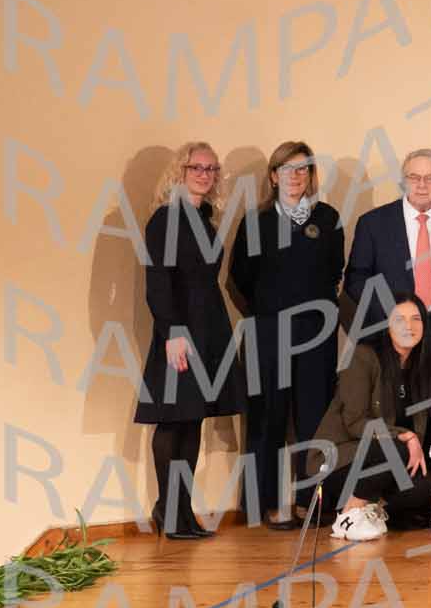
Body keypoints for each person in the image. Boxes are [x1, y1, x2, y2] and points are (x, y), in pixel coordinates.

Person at [226, 140, 343, 527]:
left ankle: (310, 502)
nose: (296, 176)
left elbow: (334, 272)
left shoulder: (327, 219)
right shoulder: (255, 222)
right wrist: (268, 313)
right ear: (274, 176)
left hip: (316, 336)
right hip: (268, 333)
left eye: (303, 169)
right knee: (266, 420)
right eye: (288, 169)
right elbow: (238, 279)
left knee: (314, 419)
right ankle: (266, 506)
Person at [136, 141, 247, 540]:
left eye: (211, 169)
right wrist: (172, 332)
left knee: (192, 419)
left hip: (209, 330)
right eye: (196, 167)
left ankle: (182, 512)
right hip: (179, 332)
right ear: (179, 172)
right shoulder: (165, 218)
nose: (204, 175)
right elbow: (158, 281)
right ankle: (168, 512)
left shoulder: (204, 218)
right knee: (173, 420)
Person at [311, 297, 431, 533]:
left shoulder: (423, 365)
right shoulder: (363, 356)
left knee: (422, 488)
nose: (409, 326)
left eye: (416, 319)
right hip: (341, 459)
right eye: (399, 320)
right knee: (396, 448)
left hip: (385, 462)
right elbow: (354, 423)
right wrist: (405, 435)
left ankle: (372, 509)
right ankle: (349, 514)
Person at [342, 150, 431, 343]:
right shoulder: (373, 223)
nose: (421, 185)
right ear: (403, 182)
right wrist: (391, 312)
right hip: (391, 330)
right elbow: (356, 279)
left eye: (430, 178)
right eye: (414, 177)